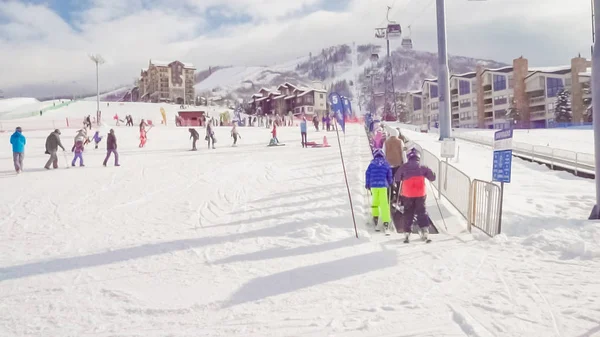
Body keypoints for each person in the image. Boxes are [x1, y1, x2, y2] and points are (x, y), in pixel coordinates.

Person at [395, 149, 436, 243]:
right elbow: (432, 177)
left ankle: (407, 232)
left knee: (408, 212)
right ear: (418, 157)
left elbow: (397, 177)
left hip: (407, 194)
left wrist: (403, 177)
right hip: (420, 193)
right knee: (421, 211)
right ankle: (424, 230)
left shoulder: (403, 167)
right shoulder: (422, 167)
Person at [365, 148, 393, 234]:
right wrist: (390, 182)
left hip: (373, 185)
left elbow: (367, 174)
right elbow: (389, 174)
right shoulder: (386, 164)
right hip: (383, 185)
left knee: (375, 201)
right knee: (384, 203)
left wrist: (367, 184)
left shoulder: (371, 164)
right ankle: (386, 221)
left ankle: (375, 216)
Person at [383, 128, 405, 204]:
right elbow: (403, 153)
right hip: (398, 165)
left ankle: (390, 196)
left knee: (390, 181)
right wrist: (405, 163)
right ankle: (398, 197)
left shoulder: (386, 142)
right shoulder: (400, 142)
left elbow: (383, 153)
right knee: (399, 181)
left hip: (388, 165)